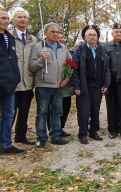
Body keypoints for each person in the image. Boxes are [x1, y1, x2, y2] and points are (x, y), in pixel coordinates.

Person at [29, 23, 71, 148]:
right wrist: (41, 59)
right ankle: (41, 137)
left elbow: (70, 63)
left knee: (57, 112)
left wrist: (67, 77)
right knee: (42, 112)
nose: (56, 34)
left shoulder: (62, 47)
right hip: (43, 85)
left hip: (59, 85)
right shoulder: (38, 47)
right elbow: (31, 67)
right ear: (45, 33)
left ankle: (56, 136)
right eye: (53, 32)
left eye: (57, 32)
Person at [71, 25, 110, 144]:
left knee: (95, 110)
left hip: (98, 86)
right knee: (83, 111)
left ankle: (93, 131)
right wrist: (76, 86)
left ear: (98, 37)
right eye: (90, 35)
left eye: (95, 35)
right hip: (84, 86)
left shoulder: (102, 50)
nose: (92, 37)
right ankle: (82, 134)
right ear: (84, 37)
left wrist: (106, 83)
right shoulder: (79, 50)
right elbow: (74, 69)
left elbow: (106, 68)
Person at [11, 8, 37, 145]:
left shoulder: (32, 39)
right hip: (12, 83)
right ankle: (4, 140)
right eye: (19, 17)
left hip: (27, 82)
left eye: (24, 17)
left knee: (24, 111)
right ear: (14, 20)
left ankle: (21, 136)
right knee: (9, 113)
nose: (22, 19)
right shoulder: (8, 36)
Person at [0, 9, 23, 154]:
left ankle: (6, 144)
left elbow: (13, 61)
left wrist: (15, 80)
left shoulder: (11, 39)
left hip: (9, 85)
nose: (6, 21)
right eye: (3, 18)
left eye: (7, 18)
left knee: (8, 115)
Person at [47, 32, 73, 137]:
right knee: (53, 108)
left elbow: (71, 63)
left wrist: (67, 76)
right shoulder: (47, 48)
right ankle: (53, 129)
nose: (61, 39)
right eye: (59, 37)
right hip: (52, 84)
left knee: (65, 107)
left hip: (65, 85)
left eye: (62, 37)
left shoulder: (64, 49)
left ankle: (60, 127)